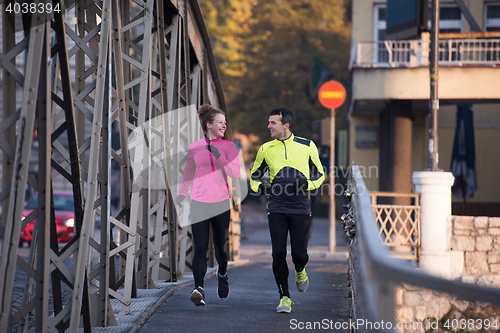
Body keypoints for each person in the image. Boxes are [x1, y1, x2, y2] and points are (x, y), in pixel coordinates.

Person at [250, 107, 325, 313]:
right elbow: (254, 177)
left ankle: (300, 270)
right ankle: (284, 297)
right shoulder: (265, 149)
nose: (268, 126)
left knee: (299, 255)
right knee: (278, 253)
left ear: (286, 125)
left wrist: (307, 185)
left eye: (272, 122)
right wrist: (261, 188)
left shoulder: (307, 145)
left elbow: (320, 175)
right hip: (276, 208)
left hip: (301, 208)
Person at [176, 104, 240, 306]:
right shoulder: (195, 147)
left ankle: (222, 274)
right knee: (201, 246)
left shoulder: (229, 146)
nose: (224, 125)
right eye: (220, 122)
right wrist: (181, 194)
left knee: (220, 246)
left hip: (221, 202)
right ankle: (198, 288)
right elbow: (188, 171)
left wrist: (218, 155)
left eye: (224, 122)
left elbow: (235, 174)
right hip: (199, 201)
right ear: (209, 124)